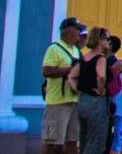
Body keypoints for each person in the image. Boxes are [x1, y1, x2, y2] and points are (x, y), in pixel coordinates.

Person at [42, 17, 85, 154]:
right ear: (67, 31)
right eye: (77, 29)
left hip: (74, 101)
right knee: (53, 143)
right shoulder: (54, 48)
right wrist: (69, 70)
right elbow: (46, 71)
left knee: (72, 141)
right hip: (57, 103)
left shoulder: (76, 51)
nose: (80, 32)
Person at [75, 26, 112, 154]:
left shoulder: (84, 58)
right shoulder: (100, 59)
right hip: (96, 103)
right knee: (96, 142)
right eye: (107, 38)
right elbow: (101, 76)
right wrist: (101, 90)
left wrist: (79, 89)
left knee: (84, 139)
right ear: (99, 40)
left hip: (82, 101)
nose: (109, 41)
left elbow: (71, 77)